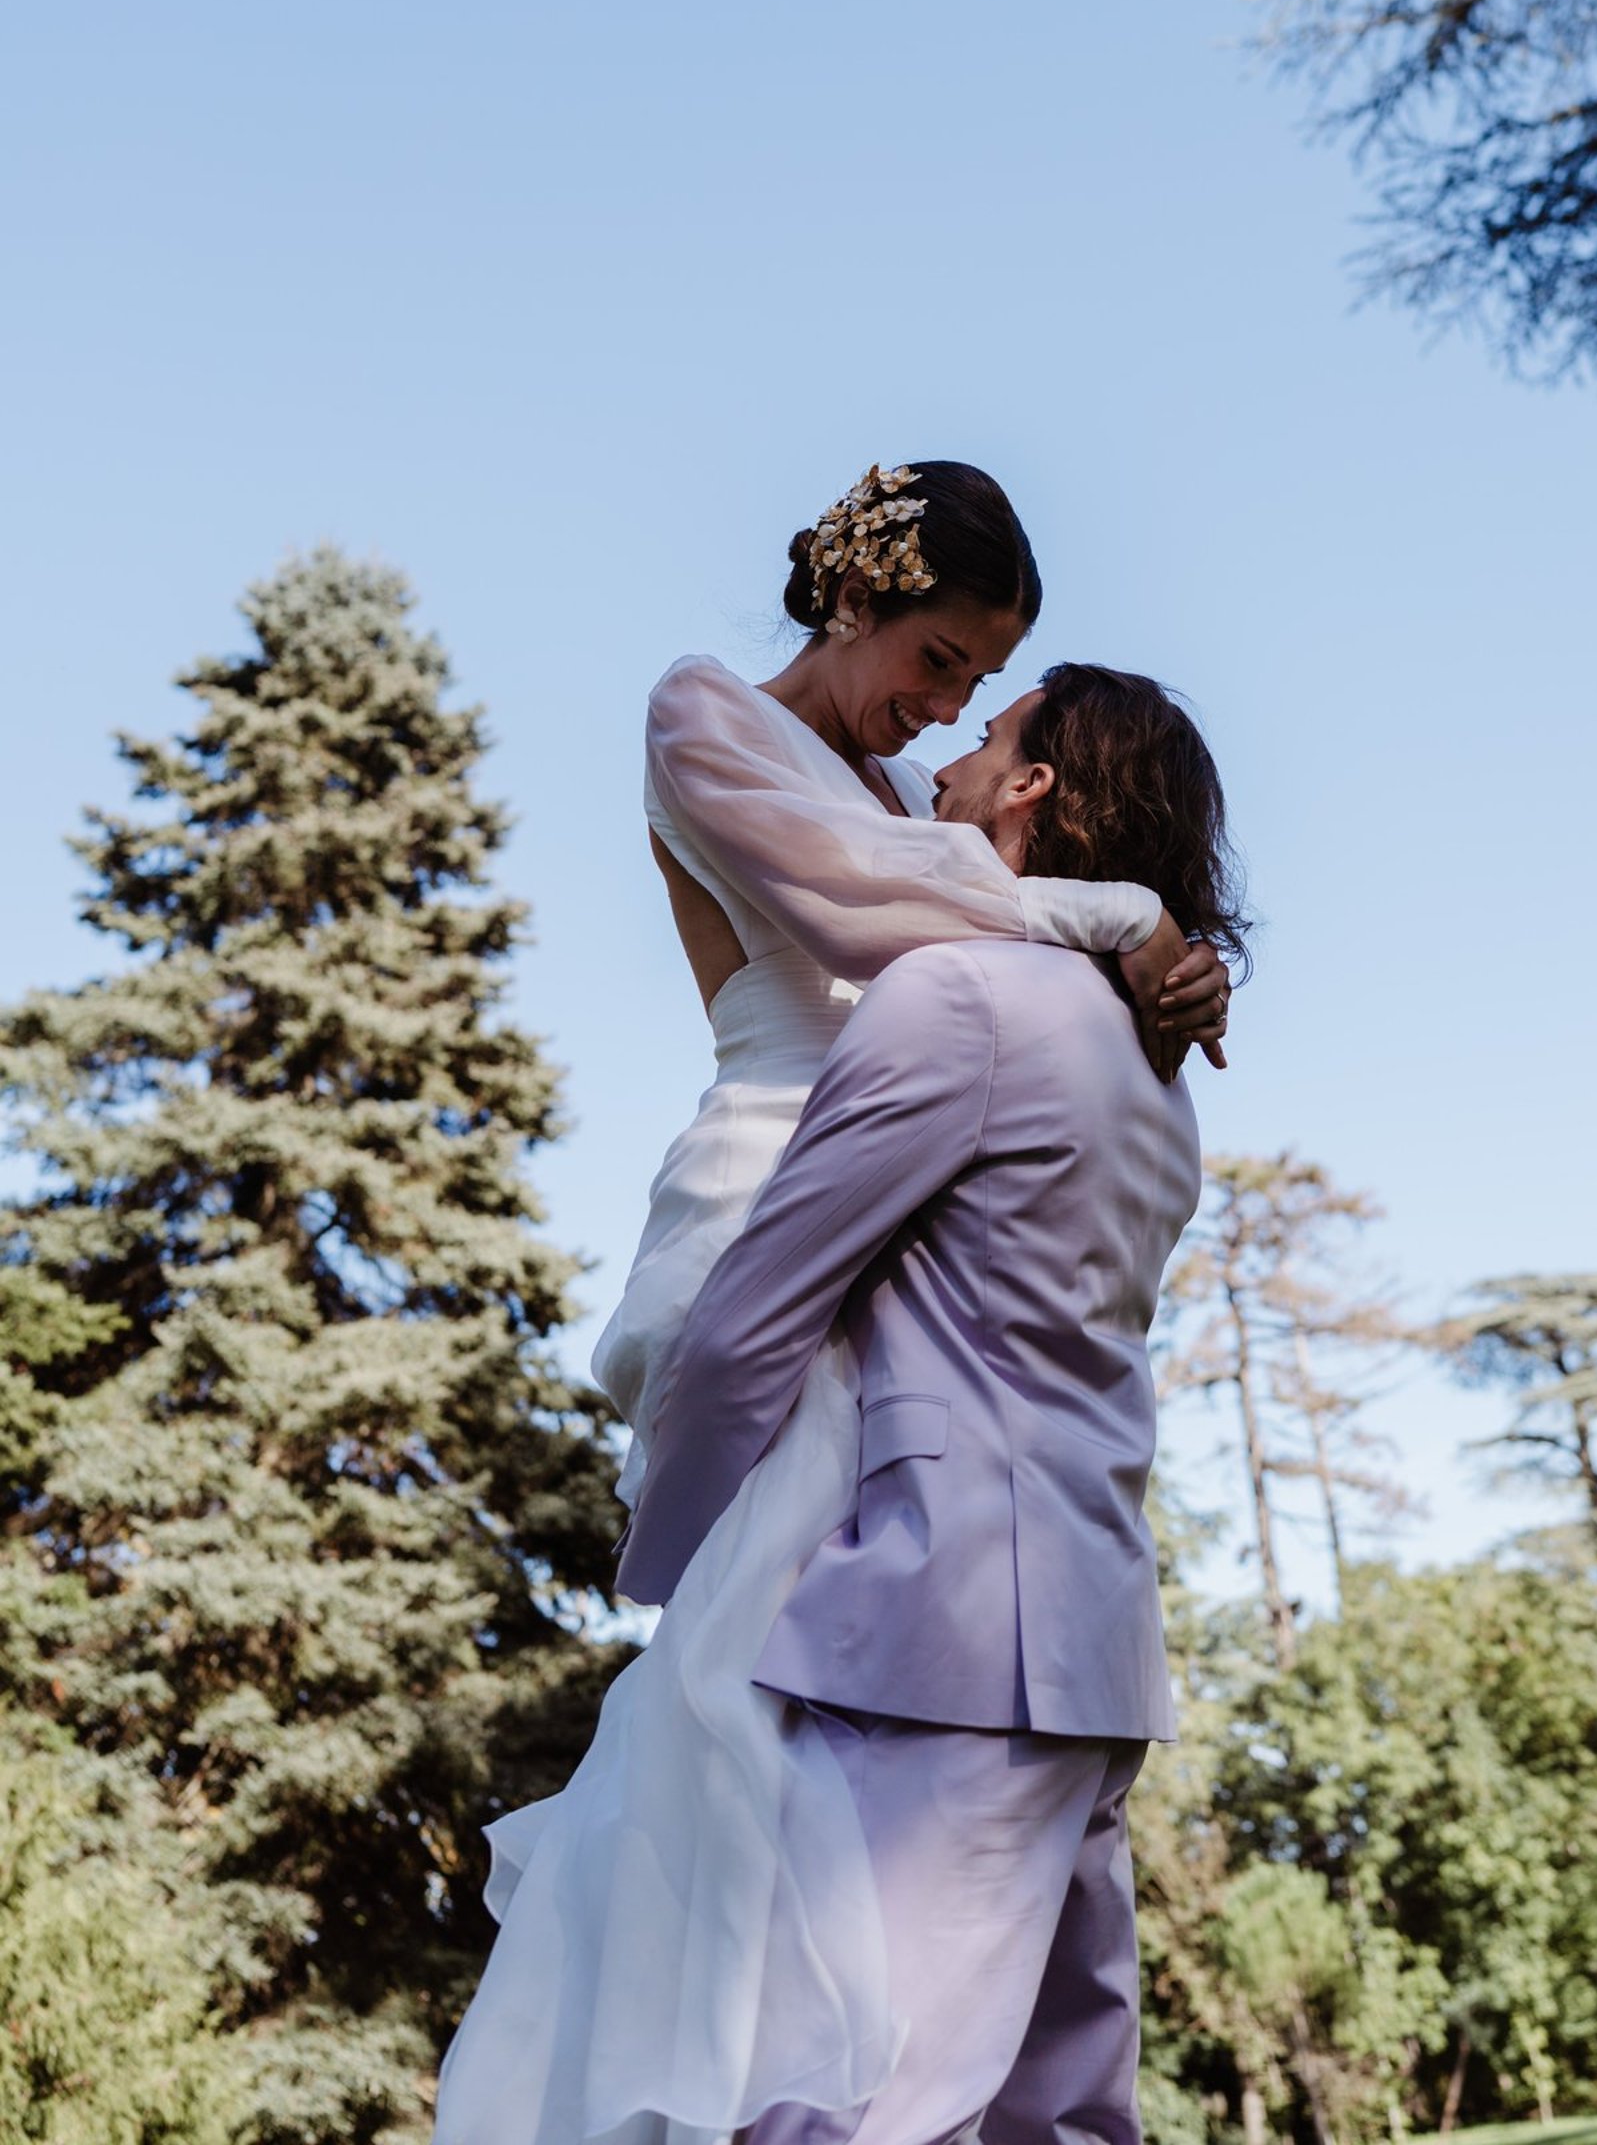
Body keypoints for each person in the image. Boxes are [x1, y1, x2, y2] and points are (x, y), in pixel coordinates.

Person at [434, 465, 1231, 2145]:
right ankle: (744, 2059)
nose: (942, 711)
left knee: (778, 1744)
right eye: (941, 660)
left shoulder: (949, 879)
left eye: (975, 690)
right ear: (858, 592)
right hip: (788, 1184)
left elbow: (964, 963)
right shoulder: (712, 717)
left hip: (918, 1232)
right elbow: (846, 903)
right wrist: (1118, 911)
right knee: (734, 1700)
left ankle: (764, 2065)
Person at [622, 663, 1248, 2145]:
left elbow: (751, 1316)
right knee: (1065, 2114)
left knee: (853, 2102)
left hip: (950, 1640)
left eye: (987, 733)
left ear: (1031, 791)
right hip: (1094, 1649)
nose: (946, 767)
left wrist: (678, 1560)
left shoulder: (958, 997)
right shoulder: (1162, 1075)